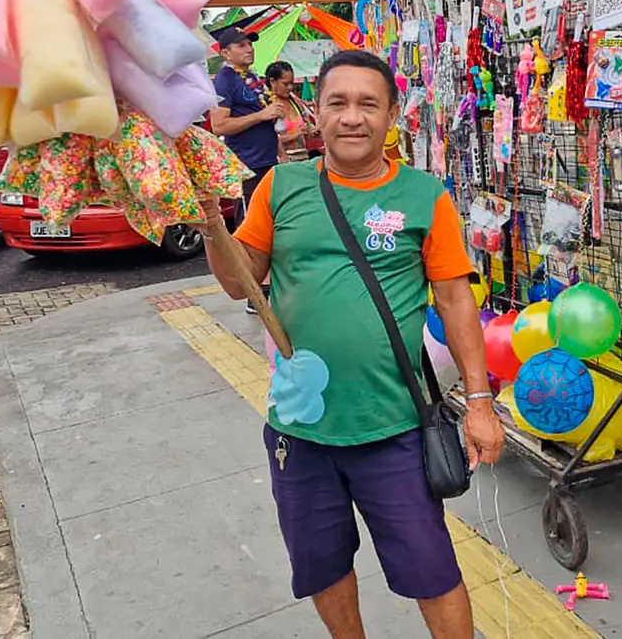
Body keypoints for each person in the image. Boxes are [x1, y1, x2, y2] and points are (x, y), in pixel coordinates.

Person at [198, 49, 503, 639]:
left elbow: (455, 301)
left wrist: (480, 403)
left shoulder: (423, 195)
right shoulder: (280, 186)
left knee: (432, 569)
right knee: (323, 566)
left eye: (369, 103)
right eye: (337, 102)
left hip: (395, 426)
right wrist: (212, 224)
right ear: (317, 111)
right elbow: (240, 282)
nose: (352, 116)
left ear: (392, 115)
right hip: (300, 429)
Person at [209, 27, 284, 209]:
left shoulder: (251, 76)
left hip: (268, 161)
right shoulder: (224, 80)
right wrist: (260, 115)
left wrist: (281, 152)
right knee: (249, 219)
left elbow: (266, 121)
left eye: (250, 44)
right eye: (241, 45)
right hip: (247, 165)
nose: (249, 49)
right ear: (226, 53)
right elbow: (219, 126)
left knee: (271, 216)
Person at [265, 60, 316, 163]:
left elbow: (307, 126)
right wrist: (297, 133)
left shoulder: (295, 101)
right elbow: (267, 139)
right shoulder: (266, 104)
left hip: (303, 158)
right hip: (282, 160)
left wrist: (311, 131)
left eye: (291, 83)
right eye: (285, 84)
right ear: (272, 81)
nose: (290, 88)